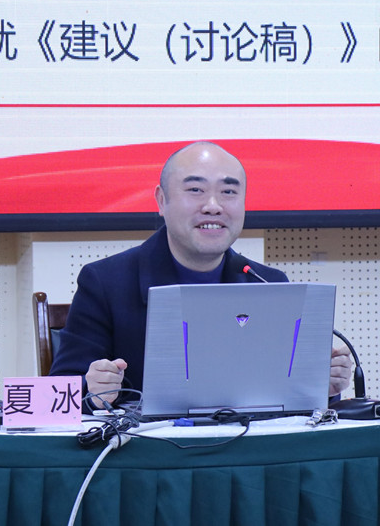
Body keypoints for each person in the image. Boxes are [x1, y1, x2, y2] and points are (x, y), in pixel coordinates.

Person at [50, 141, 352, 408]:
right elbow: (61, 393)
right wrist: (93, 390)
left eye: (228, 192)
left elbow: (290, 400)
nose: (213, 206)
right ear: (161, 200)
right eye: (196, 190)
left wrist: (322, 387)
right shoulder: (105, 282)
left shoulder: (269, 284)